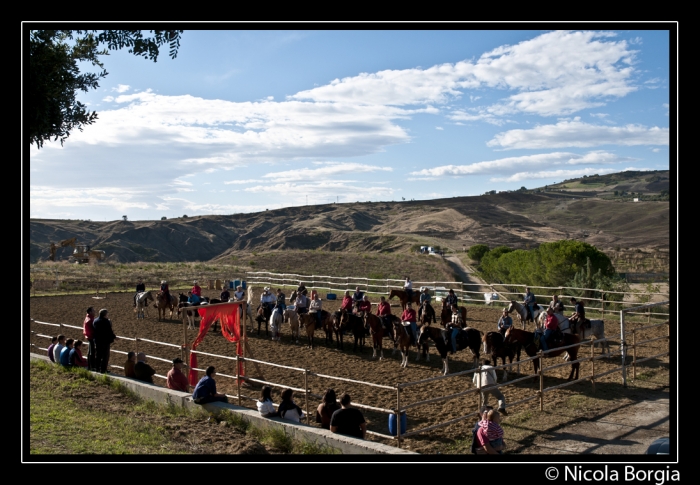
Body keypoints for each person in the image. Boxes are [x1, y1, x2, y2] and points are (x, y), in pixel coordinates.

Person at [93, 309, 117, 373]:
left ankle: (97, 368)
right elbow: (110, 331)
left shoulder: (95, 320)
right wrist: (114, 337)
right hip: (105, 342)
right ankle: (103, 369)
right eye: (107, 314)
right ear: (105, 315)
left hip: (97, 341)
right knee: (105, 356)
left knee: (98, 355)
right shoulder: (106, 322)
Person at [83, 307, 96, 371]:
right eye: (93, 311)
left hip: (88, 336)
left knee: (90, 351)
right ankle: (92, 366)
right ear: (90, 312)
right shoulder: (90, 320)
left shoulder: (87, 318)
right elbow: (93, 329)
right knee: (92, 352)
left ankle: (90, 365)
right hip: (91, 337)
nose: (94, 311)